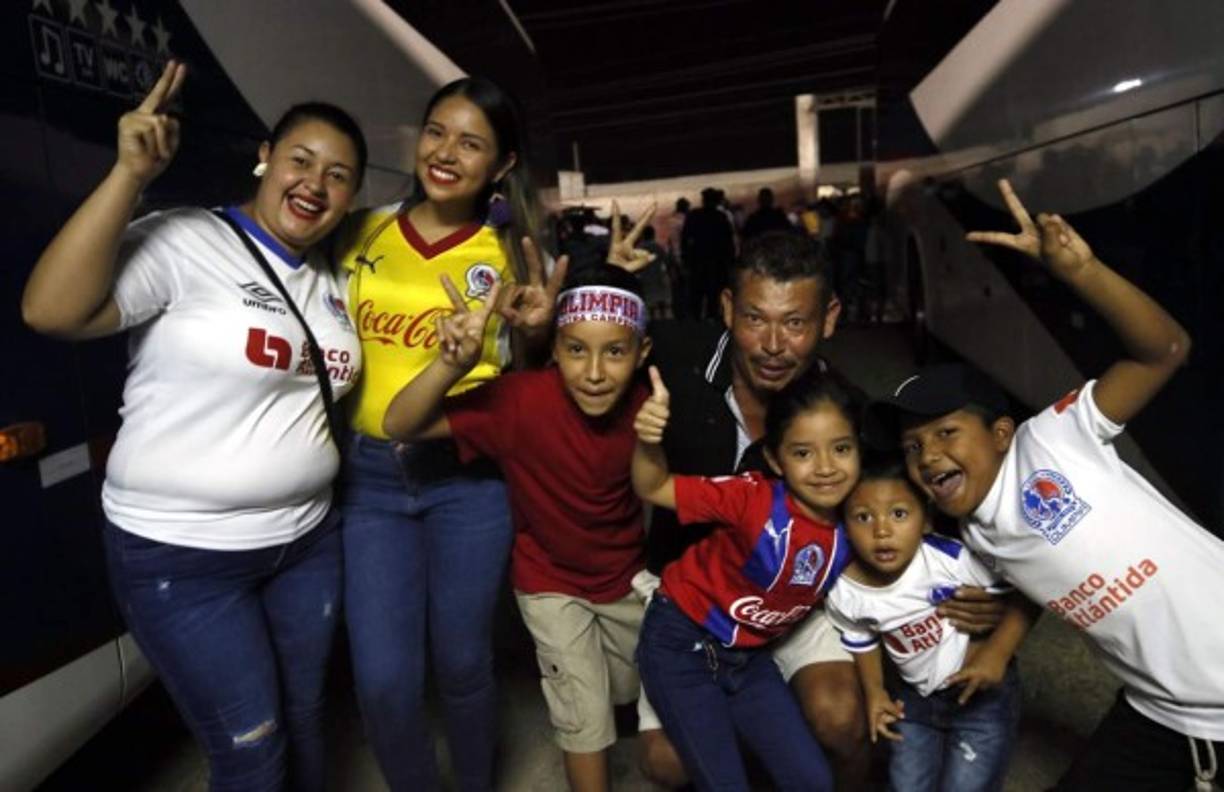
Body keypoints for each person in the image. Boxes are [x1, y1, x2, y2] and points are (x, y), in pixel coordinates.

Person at [22, 61, 366, 791]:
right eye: (300, 160)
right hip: (184, 557)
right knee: (251, 749)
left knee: (306, 715)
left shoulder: (333, 283)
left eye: (338, 176)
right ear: (265, 157)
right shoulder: (185, 240)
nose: (315, 183)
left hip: (307, 543)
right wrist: (127, 176)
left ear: (351, 198)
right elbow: (51, 312)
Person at [867, 179, 1223, 791]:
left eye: (947, 432)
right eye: (913, 446)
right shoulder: (975, 532)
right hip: (1160, 714)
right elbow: (1036, 575)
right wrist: (997, 646)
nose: (928, 454)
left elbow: (1164, 349)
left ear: (1002, 431)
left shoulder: (1054, 439)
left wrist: (1082, 273)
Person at [634, 230, 1004, 790]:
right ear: (729, 309)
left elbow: (922, 498)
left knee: (840, 719)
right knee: (667, 761)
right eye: (756, 318)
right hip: (700, 604)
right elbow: (577, 364)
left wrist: (979, 590)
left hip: (806, 596)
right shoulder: (670, 364)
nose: (773, 344)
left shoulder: (854, 417)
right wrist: (543, 324)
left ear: (829, 318)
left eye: (796, 322)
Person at [333, 76, 569, 792]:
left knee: (463, 662)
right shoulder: (360, 229)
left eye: (471, 143)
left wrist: (537, 335)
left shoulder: (511, 256)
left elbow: (530, 390)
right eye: (437, 132)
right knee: (381, 679)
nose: (445, 153)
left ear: (499, 166)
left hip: (469, 482)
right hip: (369, 481)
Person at [380, 263, 654, 792]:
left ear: (642, 354)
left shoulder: (653, 403)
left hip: (626, 580)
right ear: (553, 348)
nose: (594, 372)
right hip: (549, 583)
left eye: (614, 352)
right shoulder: (519, 401)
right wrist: (448, 365)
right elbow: (400, 424)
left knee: (630, 692)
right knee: (584, 716)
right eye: (576, 349)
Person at [631, 367, 866, 791]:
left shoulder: (863, 520)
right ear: (776, 459)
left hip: (750, 656)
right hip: (681, 645)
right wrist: (649, 440)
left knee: (812, 780)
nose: (826, 468)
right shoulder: (751, 498)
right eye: (803, 453)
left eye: (842, 448)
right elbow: (654, 486)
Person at [826, 456, 1035, 791]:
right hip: (912, 702)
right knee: (906, 784)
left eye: (898, 514)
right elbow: (860, 637)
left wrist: (992, 651)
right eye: (863, 517)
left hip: (979, 700)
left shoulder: (951, 559)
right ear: (845, 528)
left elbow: (1021, 590)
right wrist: (875, 692)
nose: (881, 530)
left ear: (925, 520)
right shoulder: (845, 591)